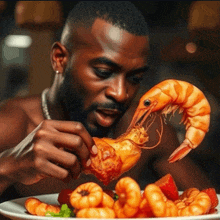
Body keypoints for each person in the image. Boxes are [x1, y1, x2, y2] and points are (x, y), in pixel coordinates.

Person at [0, 1, 213, 202]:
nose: (121, 94)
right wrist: (8, 167)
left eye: (134, 78)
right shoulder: (10, 124)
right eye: (103, 72)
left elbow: (209, 203)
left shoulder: (147, 130)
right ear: (60, 59)